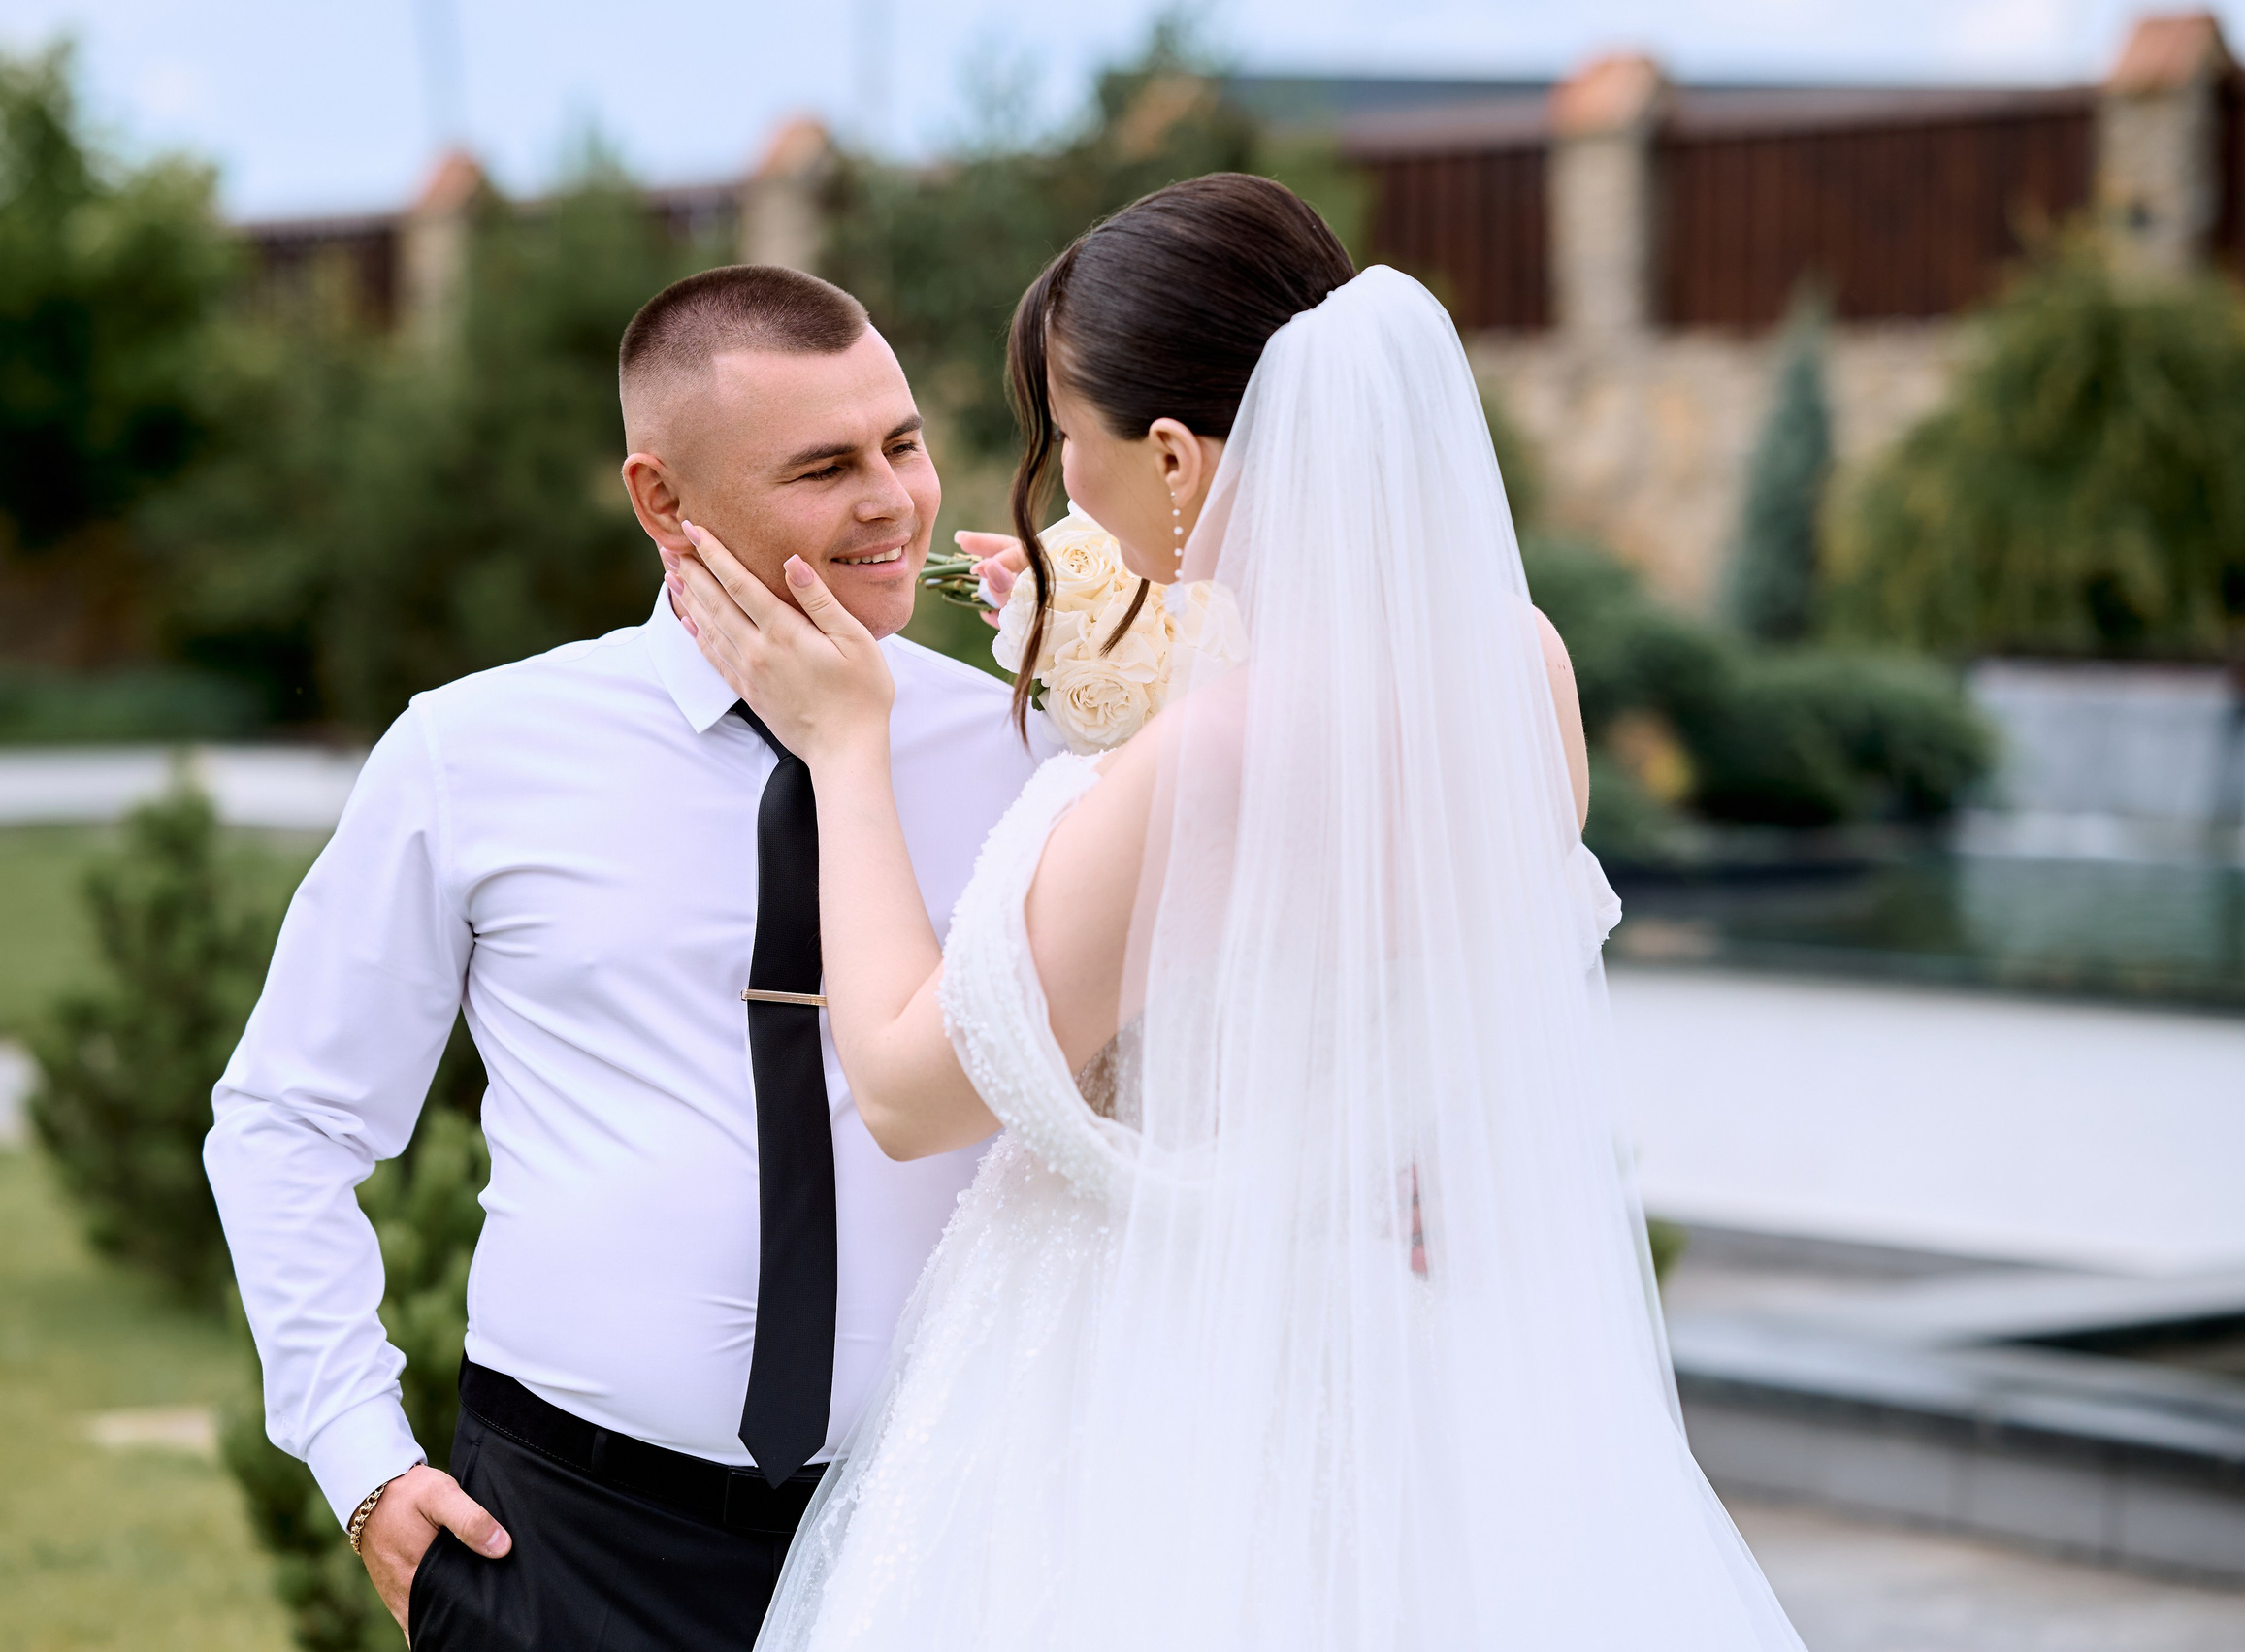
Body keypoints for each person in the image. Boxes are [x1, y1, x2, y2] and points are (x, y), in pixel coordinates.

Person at [665, 175, 1810, 1649]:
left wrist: (842, 746)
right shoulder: (1521, 668)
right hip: (1410, 1383)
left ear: (1171, 454)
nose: (1061, 486)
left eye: (1067, 443)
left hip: (1143, 1404)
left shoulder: (1217, 757)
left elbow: (901, 1086)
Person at [204, 264, 1052, 1652]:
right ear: (664, 500)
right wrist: (359, 1456)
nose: (895, 501)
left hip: (943, 1534)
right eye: (825, 465)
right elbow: (287, 1117)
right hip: (568, 1546)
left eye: (902, 442)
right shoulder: (473, 753)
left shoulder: (1029, 748)